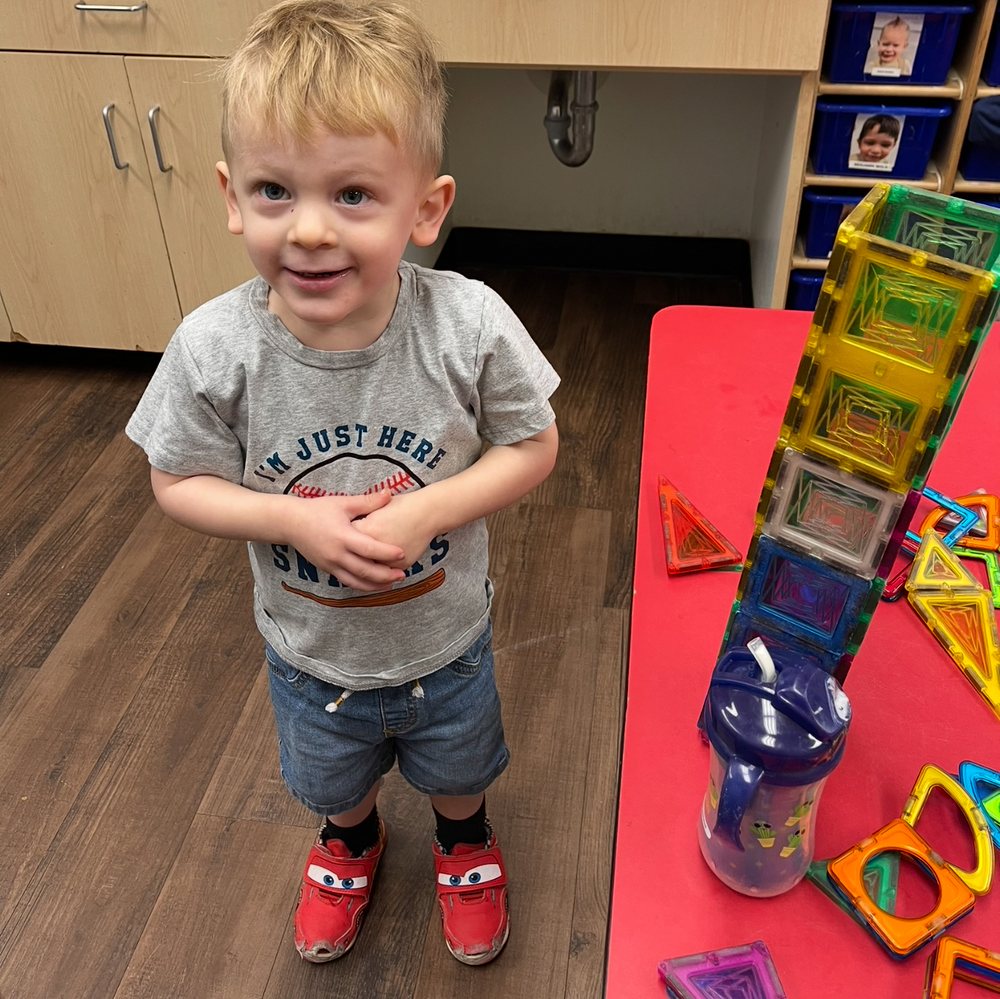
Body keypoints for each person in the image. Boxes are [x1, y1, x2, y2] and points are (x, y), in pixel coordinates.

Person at [125, 0, 560, 969]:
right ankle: (350, 842)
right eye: (275, 191)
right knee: (333, 779)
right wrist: (289, 520)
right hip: (310, 655)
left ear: (426, 209)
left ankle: (464, 839)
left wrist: (431, 509)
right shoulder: (214, 349)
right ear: (233, 195)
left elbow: (534, 444)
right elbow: (174, 477)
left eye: (354, 194)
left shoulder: (468, 326)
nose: (311, 229)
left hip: (445, 641)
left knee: (459, 763)